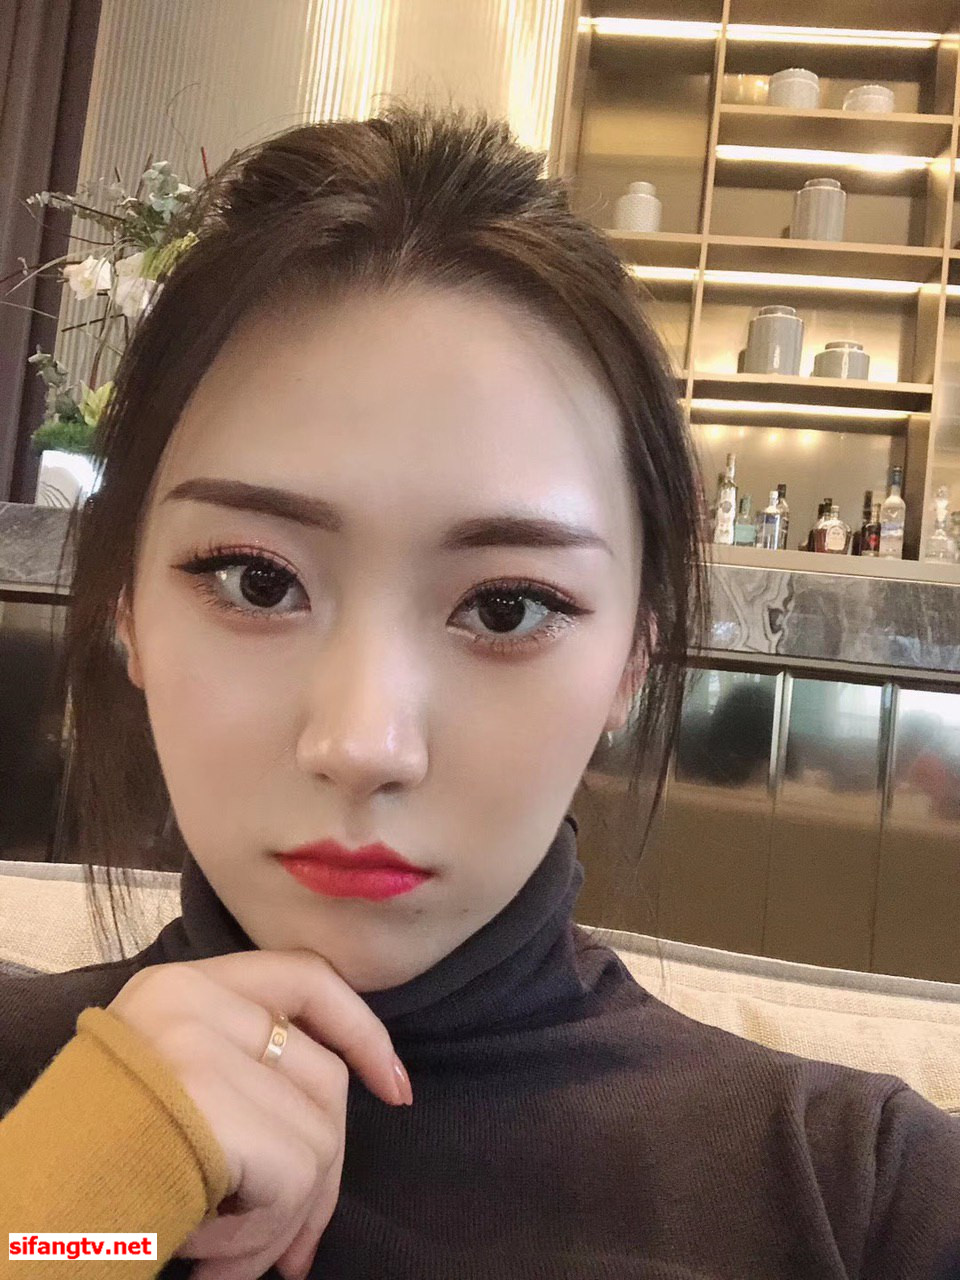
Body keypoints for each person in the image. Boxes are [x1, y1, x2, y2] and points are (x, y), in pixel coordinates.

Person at [2, 101, 959, 1280]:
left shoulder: (866, 1201)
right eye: (257, 579)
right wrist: (55, 1219)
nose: (365, 742)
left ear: (635, 657)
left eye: (506, 607)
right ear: (126, 607)